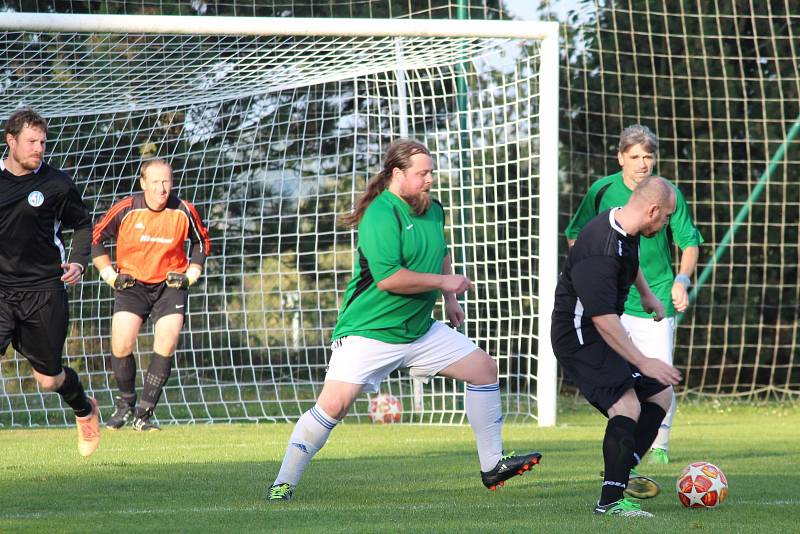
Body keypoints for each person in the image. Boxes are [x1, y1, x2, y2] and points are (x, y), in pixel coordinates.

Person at [268, 139, 541, 502]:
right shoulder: (381, 213)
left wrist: (450, 299)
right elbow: (389, 279)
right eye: (421, 173)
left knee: (483, 369)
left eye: (431, 172)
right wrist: (445, 282)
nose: (429, 179)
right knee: (333, 407)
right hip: (369, 332)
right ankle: (283, 484)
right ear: (397, 174)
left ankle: (492, 465)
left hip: (419, 330)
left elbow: (441, 253)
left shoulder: (434, 208)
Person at [564, 124, 702, 464]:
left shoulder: (667, 194)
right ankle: (624, 457)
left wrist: (681, 281)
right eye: (635, 156)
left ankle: (657, 450)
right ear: (621, 158)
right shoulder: (602, 191)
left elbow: (689, 243)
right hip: (610, 303)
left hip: (654, 298)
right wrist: (592, 275)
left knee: (661, 381)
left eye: (648, 156)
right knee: (622, 386)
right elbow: (576, 235)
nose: (642, 163)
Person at [552, 176, 683, 517]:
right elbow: (603, 320)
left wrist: (646, 293)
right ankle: (610, 502)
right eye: (667, 217)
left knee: (660, 395)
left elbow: (631, 260)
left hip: (599, 328)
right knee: (626, 405)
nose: (667, 223)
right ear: (653, 210)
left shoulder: (626, 225)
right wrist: (645, 361)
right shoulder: (602, 246)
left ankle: (623, 469)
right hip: (578, 333)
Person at [0, 108, 100, 456]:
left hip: (44, 291)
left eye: (42, 142)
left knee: (48, 380)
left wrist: (79, 262)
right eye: (31, 141)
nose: (39, 148)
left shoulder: (57, 184)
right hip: (1, 292)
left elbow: (84, 225)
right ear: (10, 141)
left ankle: (85, 408)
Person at [91, 159, 211, 432]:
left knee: (166, 342)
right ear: (143, 183)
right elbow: (96, 239)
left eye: (166, 181)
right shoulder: (126, 208)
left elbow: (202, 241)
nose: (162, 188)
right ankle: (125, 405)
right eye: (155, 182)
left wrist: (191, 274)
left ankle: (144, 415)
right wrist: (110, 276)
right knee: (121, 344)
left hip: (170, 285)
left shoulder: (183, 210)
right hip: (132, 284)